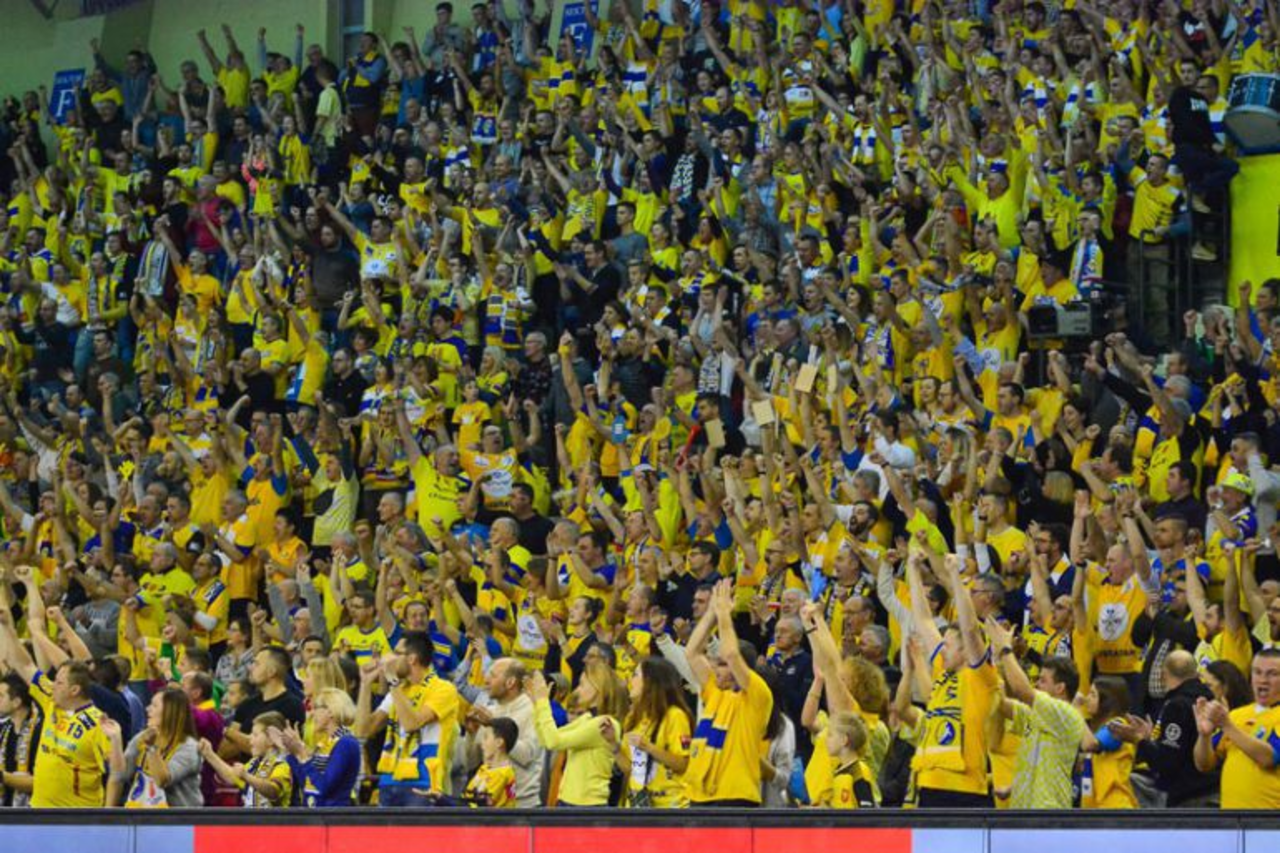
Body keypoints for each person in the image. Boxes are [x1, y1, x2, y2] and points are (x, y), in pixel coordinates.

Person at [685, 579, 774, 807]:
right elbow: (692, 652)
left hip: (735, 798)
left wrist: (725, 615)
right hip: (698, 796)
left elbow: (731, 654)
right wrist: (712, 613)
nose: (715, 668)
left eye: (722, 665)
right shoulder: (715, 692)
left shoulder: (757, 694)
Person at [356, 631, 460, 807]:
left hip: (423, 782)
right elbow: (363, 731)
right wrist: (365, 685)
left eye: (397, 653)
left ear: (412, 659)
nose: (389, 658)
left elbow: (412, 724)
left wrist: (392, 681)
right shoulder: (398, 690)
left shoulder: (443, 689)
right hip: (389, 780)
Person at [529, 660, 626, 807]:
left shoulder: (604, 723)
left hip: (588, 807)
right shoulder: (587, 718)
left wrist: (543, 702)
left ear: (598, 687)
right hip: (569, 802)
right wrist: (537, 705)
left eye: (582, 684)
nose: (577, 690)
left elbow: (554, 741)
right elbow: (546, 740)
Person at [1194, 649, 1280, 809]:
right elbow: (1203, 765)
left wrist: (1227, 725)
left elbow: (1269, 758)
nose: (1263, 680)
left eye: (1272, 674)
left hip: (1269, 818)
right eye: (1257, 672)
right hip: (1231, 816)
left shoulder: (1229, 722)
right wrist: (1204, 736)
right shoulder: (1237, 715)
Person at [606, 656, 691, 808]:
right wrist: (613, 744)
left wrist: (649, 747)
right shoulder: (633, 717)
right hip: (639, 805)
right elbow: (631, 770)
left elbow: (682, 764)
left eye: (635, 675)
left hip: (669, 807)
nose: (630, 680)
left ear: (651, 682)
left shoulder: (675, 716)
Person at [116, 686, 203, 807]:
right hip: (143, 813)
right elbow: (121, 774)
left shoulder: (189, 748)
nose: (147, 709)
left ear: (170, 712)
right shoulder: (142, 736)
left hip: (179, 817)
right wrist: (115, 738)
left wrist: (151, 748)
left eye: (154, 706)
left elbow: (162, 780)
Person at [277, 687, 360, 807]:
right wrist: (292, 751)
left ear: (330, 711)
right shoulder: (323, 743)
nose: (312, 714)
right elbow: (307, 783)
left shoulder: (346, 743)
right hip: (313, 811)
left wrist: (303, 755)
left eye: (316, 708)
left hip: (333, 814)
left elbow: (325, 786)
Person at [461, 717, 518, 807]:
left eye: (486, 738)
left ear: (499, 742)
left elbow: (479, 806)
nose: (481, 743)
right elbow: (465, 798)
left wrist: (444, 800)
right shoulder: (484, 768)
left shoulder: (503, 774)